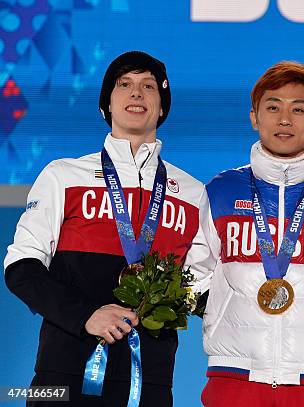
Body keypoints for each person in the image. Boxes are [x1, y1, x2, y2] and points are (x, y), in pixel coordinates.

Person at [4, 51, 213, 406]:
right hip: (62, 374)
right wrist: (86, 315)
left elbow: (201, 288)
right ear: (106, 105)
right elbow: (20, 268)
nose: (137, 93)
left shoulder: (193, 194)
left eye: (148, 86)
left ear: (162, 107)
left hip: (151, 380)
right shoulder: (63, 175)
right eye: (124, 84)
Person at [199, 61, 304, 406]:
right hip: (233, 373)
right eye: (273, 107)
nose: (285, 120)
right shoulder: (220, 191)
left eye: (298, 109)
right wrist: (227, 315)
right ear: (254, 117)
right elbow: (197, 270)